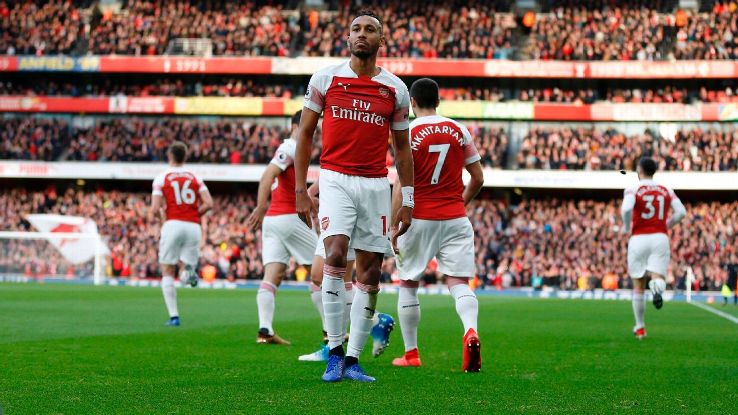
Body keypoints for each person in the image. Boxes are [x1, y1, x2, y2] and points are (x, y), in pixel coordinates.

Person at [294, 9, 414, 382]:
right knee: (333, 253)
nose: (362, 34)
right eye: (356, 29)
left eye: (370, 30)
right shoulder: (326, 78)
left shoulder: (395, 89)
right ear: (347, 39)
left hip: (376, 185)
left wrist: (407, 199)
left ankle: (353, 359)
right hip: (335, 179)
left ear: (381, 40)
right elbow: (305, 134)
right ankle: (332, 349)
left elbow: (404, 150)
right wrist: (301, 189)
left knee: (372, 272)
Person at [389, 78, 485, 372]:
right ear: (439, 102)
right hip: (455, 217)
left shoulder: (409, 131)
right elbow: (478, 178)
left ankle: (411, 353)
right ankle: (470, 330)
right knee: (458, 283)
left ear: (412, 104)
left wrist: (394, 224)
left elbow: (401, 183)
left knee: (408, 283)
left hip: (418, 217)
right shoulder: (458, 129)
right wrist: (460, 201)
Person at [298, 181, 395, 362]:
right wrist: (310, 192)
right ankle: (371, 324)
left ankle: (341, 342)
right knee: (325, 277)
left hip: (347, 199)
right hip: (336, 196)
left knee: (329, 276)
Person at [246, 111, 317, 345]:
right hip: (289, 218)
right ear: (296, 125)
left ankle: (264, 330)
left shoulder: (292, 148)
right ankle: (332, 331)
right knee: (320, 273)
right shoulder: (291, 147)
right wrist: (259, 206)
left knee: (272, 275)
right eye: (311, 124)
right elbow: (267, 175)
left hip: (274, 222)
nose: (314, 130)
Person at [149, 141, 213, 326]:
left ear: (169, 156)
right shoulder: (195, 177)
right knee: (187, 268)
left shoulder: (162, 178)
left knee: (167, 269)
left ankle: (174, 316)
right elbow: (209, 203)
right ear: (185, 157)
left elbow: (154, 209)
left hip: (173, 224)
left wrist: (163, 220)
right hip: (193, 226)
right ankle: (190, 271)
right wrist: (193, 214)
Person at [621, 157, 686, 339]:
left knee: (638, 285)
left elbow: (626, 210)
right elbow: (681, 212)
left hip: (639, 237)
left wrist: (627, 228)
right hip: (660, 236)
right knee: (658, 276)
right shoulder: (665, 189)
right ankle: (657, 286)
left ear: (639, 170)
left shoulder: (633, 188)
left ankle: (640, 327)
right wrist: (667, 224)